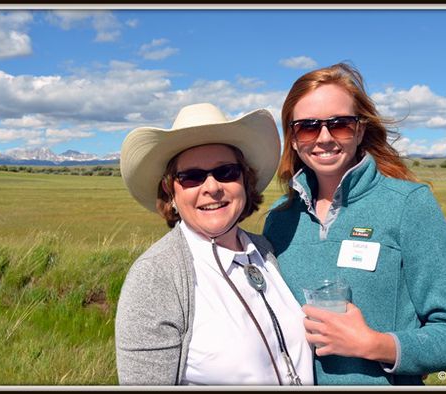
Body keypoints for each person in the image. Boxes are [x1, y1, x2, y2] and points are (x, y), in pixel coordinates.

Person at [263, 63, 446, 385]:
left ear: (360, 130)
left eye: (340, 124)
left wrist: (374, 345)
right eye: (308, 127)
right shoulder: (279, 220)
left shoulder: (408, 205)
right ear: (293, 139)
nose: (324, 138)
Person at [115, 103, 314, 385]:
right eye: (192, 177)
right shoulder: (156, 276)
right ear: (170, 190)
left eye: (226, 172)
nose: (212, 187)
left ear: (245, 180)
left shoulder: (264, 251)